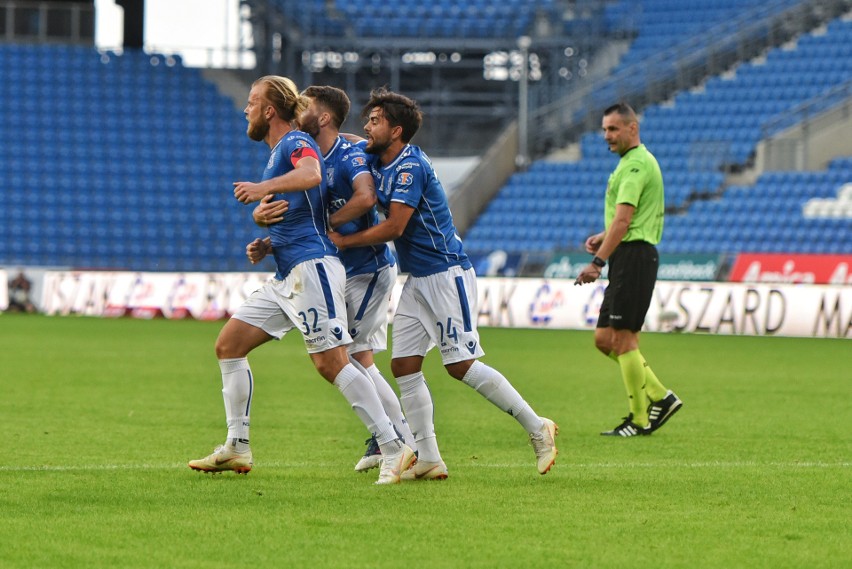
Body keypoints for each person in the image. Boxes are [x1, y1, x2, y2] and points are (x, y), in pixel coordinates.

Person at [188, 76, 415, 484]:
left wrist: (262, 189)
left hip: (312, 269)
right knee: (229, 345)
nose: (247, 109)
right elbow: (303, 210)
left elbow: (311, 174)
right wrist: (266, 236)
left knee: (332, 363)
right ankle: (237, 445)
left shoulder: (295, 143)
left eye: (253, 102)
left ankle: (394, 446)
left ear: (270, 110)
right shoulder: (279, 152)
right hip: (287, 272)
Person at [328, 88, 558, 480]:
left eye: (376, 120)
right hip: (418, 279)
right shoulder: (376, 155)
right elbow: (347, 142)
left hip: (447, 274)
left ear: (397, 130)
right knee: (403, 365)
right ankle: (430, 457)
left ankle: (538, 427)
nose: (367, 126)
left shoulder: (409, 167)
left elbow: (395, 226)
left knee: (462, 365)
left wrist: (343, 240)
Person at [247, 85, 415, 473]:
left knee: (355, 359)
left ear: (323, 117)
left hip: (367, 266)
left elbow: (366, 199)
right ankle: (395, 441)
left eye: (308, 105)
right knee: (355, 359)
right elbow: (301, 218)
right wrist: (270, 240)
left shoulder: (348, 153)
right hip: (339, 266)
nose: (299, 108)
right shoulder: (307, 154)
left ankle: (398, 441)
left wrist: (328, 225)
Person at [575, 102, 683, 437]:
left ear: (631, 128)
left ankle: (640, 418)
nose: (606, 135)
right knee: (605, 339)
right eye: (604, 129)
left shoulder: (636, 165)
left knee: (623, 339)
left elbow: (625, 220)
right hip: (626, 255)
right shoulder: (629, 164)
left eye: (613, 129)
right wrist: (604, 236)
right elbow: (622, 221)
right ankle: (660, 396)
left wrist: (597, 261)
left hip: (635, 256)